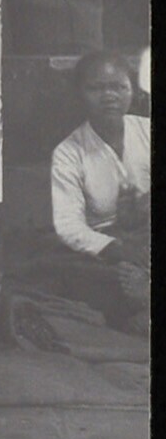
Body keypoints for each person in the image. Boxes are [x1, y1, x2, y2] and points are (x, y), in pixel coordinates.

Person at [49, 51, 150, 322]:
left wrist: (143, 208)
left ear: (133, 91)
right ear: (79, 95)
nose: (109, 96)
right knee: (90, 279)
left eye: (119, 87)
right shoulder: (69, 152)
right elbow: (69, 226)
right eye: (96, 88)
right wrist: (116, 247)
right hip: (109, 248)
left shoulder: (147, 131)